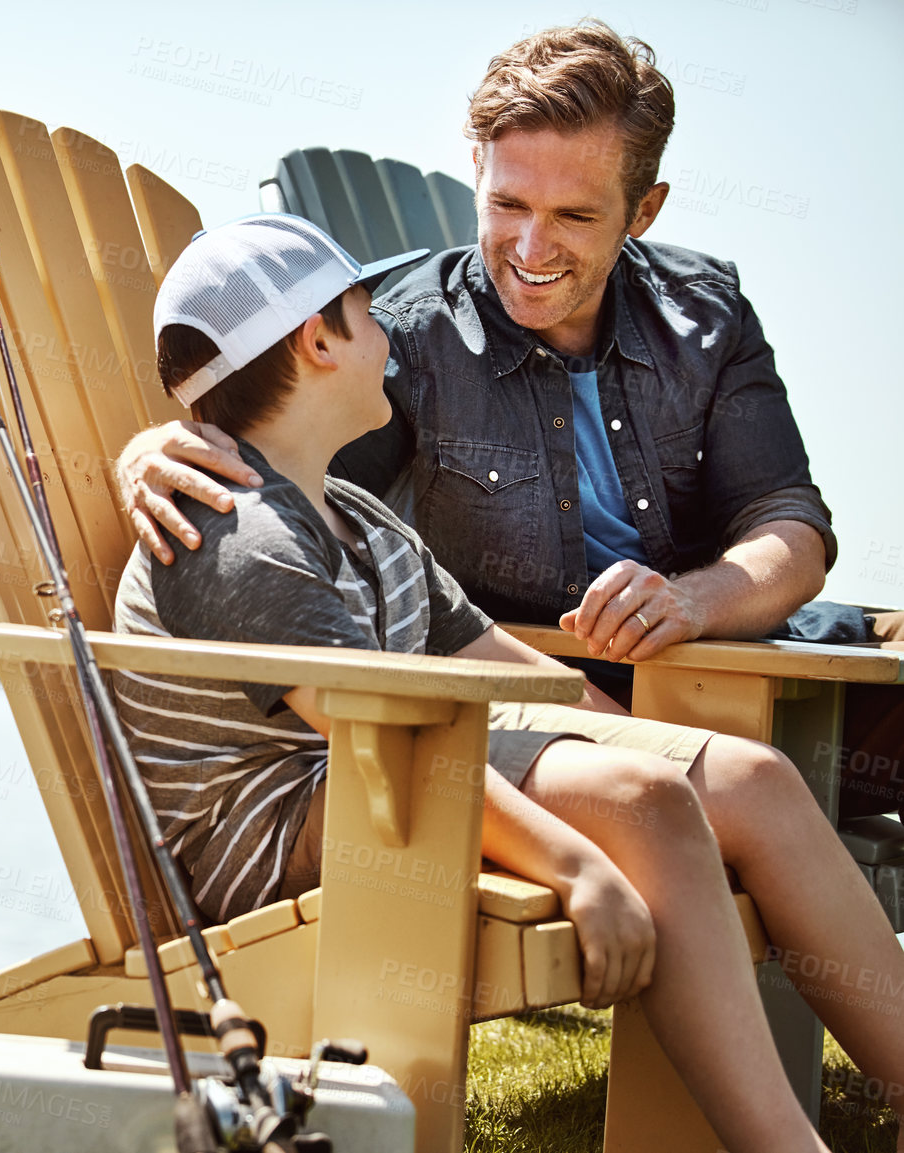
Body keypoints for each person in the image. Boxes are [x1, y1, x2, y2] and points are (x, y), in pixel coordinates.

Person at [117, 211, 903, 1152]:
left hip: (390, 774)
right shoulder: (239, 536)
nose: (392, 342)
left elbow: (515, 673)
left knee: (753, 779)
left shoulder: (360, 518)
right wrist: (578, 860)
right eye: (370, 317)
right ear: (316, 340)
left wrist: (689, 759)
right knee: (643, 798)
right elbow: (381, 738)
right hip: (291, 827)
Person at [114, 19, 904, 821]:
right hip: (557, 709)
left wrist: (693, 601)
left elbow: (790, 527)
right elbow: (280, 473)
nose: (531, 246)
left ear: (644, 210)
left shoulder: (706, 314)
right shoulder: (405, 335)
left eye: (575, 216)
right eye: (507, 203)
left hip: (742, 665)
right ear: (476, 172)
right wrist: (153, 447)